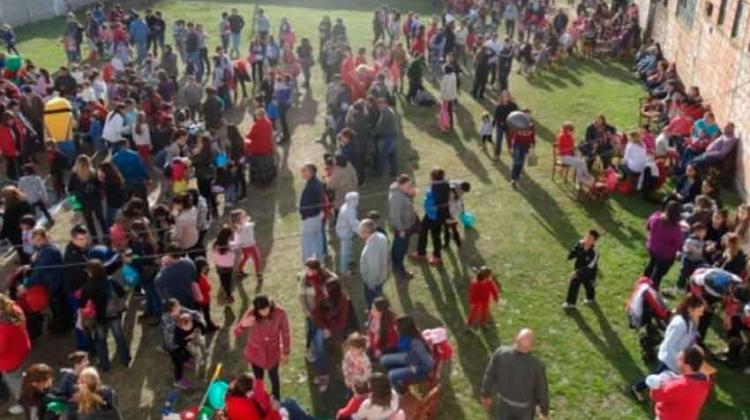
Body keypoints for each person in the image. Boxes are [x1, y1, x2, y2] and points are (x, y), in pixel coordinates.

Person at [631, 294, 706, 400]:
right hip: (670, 359)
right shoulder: (679, 324)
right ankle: (637, 388)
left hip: (678, 359)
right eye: (699, 311)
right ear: (690, 309)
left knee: (662, 377)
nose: (701, 314)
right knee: (658, 376)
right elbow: (670, 344)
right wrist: (680, 362)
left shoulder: (690, 320)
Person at [480, 329, 549, 420]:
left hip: (504, 403)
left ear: (515, 340)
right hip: (524, 409)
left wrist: (485, 394)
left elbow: (490, 374)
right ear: (532, 347)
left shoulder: (501, 353)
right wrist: (544, 411)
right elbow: (542, 390)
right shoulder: (537, 366)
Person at [233, 294, 290, 401]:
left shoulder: (280, 313)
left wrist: (285, 352)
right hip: (256, 355)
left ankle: (276, 400)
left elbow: (285, 332)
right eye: (261, 311)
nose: (264, 313)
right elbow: (236, 333)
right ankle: (261, 401)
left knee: (274, 378)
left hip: (272, 353)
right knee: (258, 381)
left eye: (266, 309)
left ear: (270, 304)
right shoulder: (251, 314)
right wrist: (242, 325)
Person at [79, 260, 130, 372]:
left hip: (99, 317)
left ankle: (104, 364)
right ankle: (125, 359)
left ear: (90, 272)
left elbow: (82, 303)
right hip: (114, 313)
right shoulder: (110, 280)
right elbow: (122, 293)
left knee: (101, 340)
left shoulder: (88, 286)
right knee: (119, 337)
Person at [647, 346, 711, 420]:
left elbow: (657, 396)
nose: (676, 359)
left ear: (687, 366)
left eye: (680, 359)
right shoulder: (704, 380)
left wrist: (655, 384)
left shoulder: (680, 385)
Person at [310, 279, 351, 392]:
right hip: (324, 326)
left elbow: (342, 322)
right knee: (319, 343)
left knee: (319, 344)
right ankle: (323, 372)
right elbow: (315, 314)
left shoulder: (343, 300)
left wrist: (330, 329)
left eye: (326, 290)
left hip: (338, 329)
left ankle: (322, 374)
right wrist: (324, 328)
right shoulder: (322, 296)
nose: (323, 291)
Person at [380, 315, 434, 393]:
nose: (394, 327)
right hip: (408, 358)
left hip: (417, 367)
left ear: (403, 328)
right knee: (383, 359)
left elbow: (429, 363)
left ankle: (402, 392)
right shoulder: (405, 336)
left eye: (396, 326)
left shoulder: (415, 343)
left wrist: (414, 368)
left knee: (391, 375)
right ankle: (399, 374)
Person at [161, 298, 205, 390]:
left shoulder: (180, 311)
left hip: (182, 341)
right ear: (172, 311)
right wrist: (187, 337)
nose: (180, 307)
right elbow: (174, 340)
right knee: (178, 362)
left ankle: (186, 360)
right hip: (174, 346)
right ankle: (178, 380)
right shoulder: (169, 321)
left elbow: (193, 313)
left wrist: (197, 316)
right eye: (178, 306)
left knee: (186, 352)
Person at [0, 294, 32, 416]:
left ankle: (24, 403)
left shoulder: (1, 327)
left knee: (15, 383)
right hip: (21, 349)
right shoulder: (13, 308)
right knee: (19, 375)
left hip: (9, 361)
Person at [413, 168, 450, 265]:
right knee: (436, 236)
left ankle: (421, 253)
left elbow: (427, 206)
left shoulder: (431, 190)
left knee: (423, 232)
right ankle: (437, 257)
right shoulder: (446, 185)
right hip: (441, 215)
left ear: (432, 177)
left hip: (431, 216)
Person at [644, 201, 684, 289]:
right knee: (658, 272)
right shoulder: (676, 230)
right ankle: (653, 288)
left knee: (651, 263)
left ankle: (644, 281)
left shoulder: (656, 217)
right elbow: (679, 245)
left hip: (652, 247)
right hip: (665, 255)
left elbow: (648, 226)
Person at [67, 155, 105, 242]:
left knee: (89, 222)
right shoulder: (93, 173)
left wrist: (76, 206)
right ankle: (107, 237)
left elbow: (70, 190)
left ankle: (95, 240)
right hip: (96, 200)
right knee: (101, 219)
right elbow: (100, 186)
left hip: (83, 203)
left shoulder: (74, 175)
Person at [388, 174, 418, 278]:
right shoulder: (396, 197)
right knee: (401, 248)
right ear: (400, 185)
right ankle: (399, 269)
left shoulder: (401, 192)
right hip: (402, 227)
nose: (410, 187)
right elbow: (394, 216)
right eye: (408, 185)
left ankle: (394, 263)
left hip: (404, 225)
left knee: (398, 245)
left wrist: (411, 194)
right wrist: (401, 230)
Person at [563, 229, 600, 308]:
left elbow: (590, 266)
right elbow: (574, 251)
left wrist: (577, 273)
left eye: (590, 239)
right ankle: (570, 303)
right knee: (574, 283)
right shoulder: (580, 243)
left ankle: (590, 298)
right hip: (579, 268)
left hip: (589, 272)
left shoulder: (595, 252)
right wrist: (570, 256)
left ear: (594, 241)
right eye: (587, 237)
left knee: (589, 286)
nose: (587, 239)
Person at [359, 218, 390, 309]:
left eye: (360, 230)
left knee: (372, 300)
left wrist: (371, 283)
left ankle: (372, 313)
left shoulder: (371, 248)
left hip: (372, 280)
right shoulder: (381, 236)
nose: (359, 231)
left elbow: (374, 268)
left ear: (366, 232)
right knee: (378, 295)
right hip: (381, 275)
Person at [299, 163, 326, 263]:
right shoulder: (315, 183)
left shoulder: (312, 186)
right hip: (316, 216)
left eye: (304, 171)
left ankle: (309, 263)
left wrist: (304, 215)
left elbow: (307, 204)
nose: (302, 173)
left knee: (307, 243)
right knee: (317, 240)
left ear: (310, 172)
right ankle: (319, 261)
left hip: (310, 218)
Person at [555, 122, 594, 186]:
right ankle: (585, 176)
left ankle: (579, 180)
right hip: (564, 157)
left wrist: (575, 147)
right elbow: (560, 151)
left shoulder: (570, 137)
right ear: (567, 130)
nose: (572, 132)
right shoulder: (561, 137)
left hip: (571, 156)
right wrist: (570, 149)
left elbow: (572, 148)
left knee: (580, 163)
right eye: (571, 131)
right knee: (580, 162)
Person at [230, 209, 263, 282]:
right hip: (250, 245)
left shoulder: (238, 225)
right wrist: (246, 221)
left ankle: (239, 271)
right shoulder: (243, 226)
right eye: (242, 216)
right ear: (238, 219)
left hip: (245, 246)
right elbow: (251, 224)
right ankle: (258, 274)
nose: (245, 216)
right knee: (257, 259)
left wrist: (245, 220)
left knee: (245, 257)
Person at [509, 109, 535, 187]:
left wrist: (533, 143)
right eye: (526, 115)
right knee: (517, 161)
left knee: (522, 161)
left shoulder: (531, 125)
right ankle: (513, 179)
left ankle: (517, 175)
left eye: (529, 115)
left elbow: (532, 135)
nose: (528, 116)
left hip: (526, 145)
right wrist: (510, 145)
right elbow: (511, 134)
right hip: (518, 144)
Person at [373, 97, 399, 177]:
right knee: (392, 155)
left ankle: (379, 173)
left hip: (388, 136)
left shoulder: (385, 113)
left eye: (380, 105)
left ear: (384, 104)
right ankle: (393, 172)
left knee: (383, 155)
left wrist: (374, 133)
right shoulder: (389, 110)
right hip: (393, 135)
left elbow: (381, 126)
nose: (379, 107)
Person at [336, 192, 360, 274]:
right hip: (344, 232)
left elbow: (354, 222)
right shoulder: (350, 210)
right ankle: (344, 269)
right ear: (352, 200)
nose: (358, 201)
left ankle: (349, 264)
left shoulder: (347, 206)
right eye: (356, 200)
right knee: (345, 252)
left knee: (348, 248)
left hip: (343, 230)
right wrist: (361, 233)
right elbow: (353, 224)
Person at [493, 90, 518, 159]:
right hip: (500, 126)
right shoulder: (499, 106)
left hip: (509, 126)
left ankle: (509, 149)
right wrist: (495, 124)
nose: (505, 97)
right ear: (501, 97)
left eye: (506, 95)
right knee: (499, 140)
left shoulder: (513, 105)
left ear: (509, 96)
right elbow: (496, 116)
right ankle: (497, 154)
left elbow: (516, 115)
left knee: (509, 139)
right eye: (503, 96)